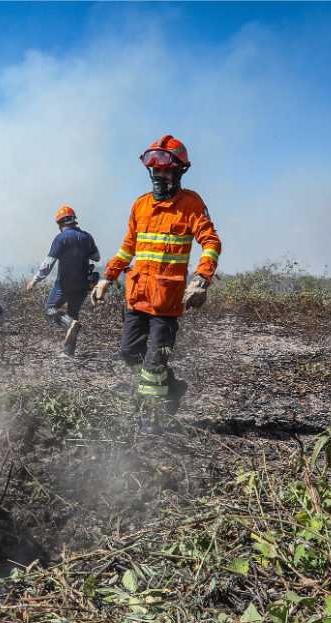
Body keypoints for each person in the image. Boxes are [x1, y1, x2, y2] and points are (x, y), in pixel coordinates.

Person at [92, 135, 223, 433]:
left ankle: (151, 422)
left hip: (166, 302)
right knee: (128, 353)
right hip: (137, 297)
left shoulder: (191, 204)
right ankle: (173, 386)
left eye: (166, 170)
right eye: (156, 170)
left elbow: (211, 242)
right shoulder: (140, 205)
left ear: (179, 172)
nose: (160, 175)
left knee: (153, 365)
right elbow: (128, 248)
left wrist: (202, 278)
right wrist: (107, 277)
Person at [26, 205, 99, 355]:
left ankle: (70, 324)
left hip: (64, 285)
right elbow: (96, 257)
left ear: (60, 224)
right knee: (73, 314)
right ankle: (68, 353)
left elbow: (49, 263)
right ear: (74, 220)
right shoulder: (87, 236)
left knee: (50, 309)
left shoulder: (61, 238)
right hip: (83, 284)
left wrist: (35, 279)